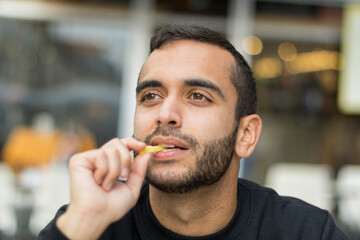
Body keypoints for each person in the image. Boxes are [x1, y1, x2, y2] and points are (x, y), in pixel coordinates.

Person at [39, 24, 348, 240]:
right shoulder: (89, 225)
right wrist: (82, 225)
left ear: (246, 135)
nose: (165, 114)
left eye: (198, 96)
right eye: (151, 96)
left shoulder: (305, 232)